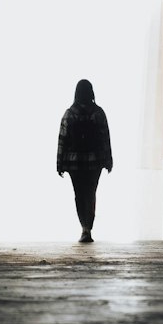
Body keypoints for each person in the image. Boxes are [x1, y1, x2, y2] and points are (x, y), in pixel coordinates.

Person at [56, 78, 113, 243]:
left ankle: (84, 228)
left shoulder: (70, 113)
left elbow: (62, 139)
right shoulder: (98, 113)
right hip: (94, 161)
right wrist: (108, 160)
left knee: (79, 195)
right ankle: (88, 227)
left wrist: (60, 163)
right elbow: (105, 138)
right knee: (91, 194)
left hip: (74, 162)